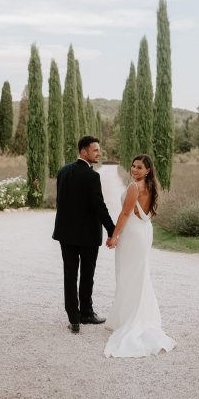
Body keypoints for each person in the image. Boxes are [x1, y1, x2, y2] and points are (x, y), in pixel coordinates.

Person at [104, 154, 176, 358]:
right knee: (139, 274)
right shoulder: (152, 187)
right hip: (145, 232)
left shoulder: (133, 187)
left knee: (128, 274)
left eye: (139, 167)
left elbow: (125, 214)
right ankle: (130, 315)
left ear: (148, 170)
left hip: (132, 234)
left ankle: (129, 319)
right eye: (133, 166)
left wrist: (114, 236)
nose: (134, 170)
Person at [52, 136, 115, 334]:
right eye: (95, 150)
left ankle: (74, 318)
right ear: (83, 151)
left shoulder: (63, 171)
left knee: (69, 274)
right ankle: (86, 312)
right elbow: (100, 207)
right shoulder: (92, 176)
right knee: (87, 274)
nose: (99, 153)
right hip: (87, 236)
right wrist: (113, 230)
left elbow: (60, 203)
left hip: (66, 234)